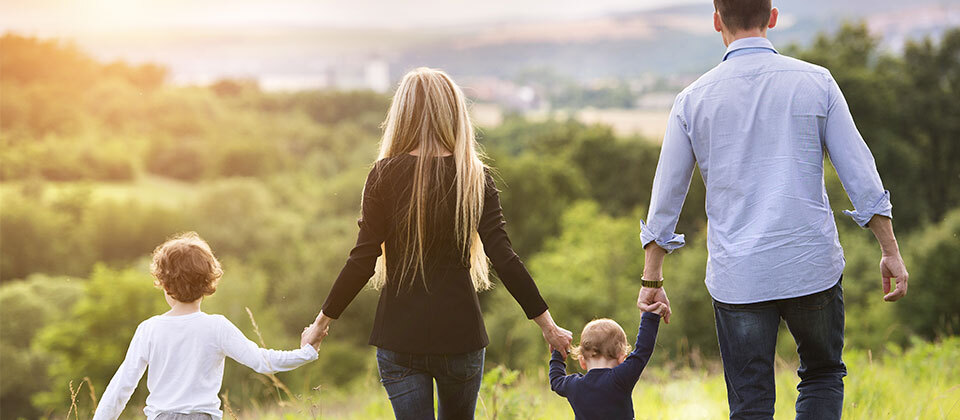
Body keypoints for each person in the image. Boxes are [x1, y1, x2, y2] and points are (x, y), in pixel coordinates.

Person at [637, 1, 910, 419]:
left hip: (738, 278)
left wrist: (651, 278)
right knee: (821, 376)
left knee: (750, 402)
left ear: (716, 22)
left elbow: (667, 194)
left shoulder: (691, 99)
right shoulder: (817, 82)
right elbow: (861, 173)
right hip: (810, 267)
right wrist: (889, 249)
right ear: (773, 16)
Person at [302, 67, 573, 420]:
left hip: (399, 338)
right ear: (454, 112)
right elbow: (504, 258)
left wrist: (321, 323)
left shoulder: (383, 174)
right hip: (461, 337)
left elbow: (362, 259)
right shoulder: (475, 177)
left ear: (402, 114)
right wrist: (547, 327)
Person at [93, 232, 326, 420]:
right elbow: (262, 361)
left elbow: (122, 386)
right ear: (208, 283)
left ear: (164, 283)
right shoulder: (217, 327)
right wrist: (307, 352)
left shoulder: (149, 329)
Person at [549, 303, 664, 420]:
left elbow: (556, 380)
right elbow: (643, 350)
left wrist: (558, 352)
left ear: (582, 361)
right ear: (622, 358)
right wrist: (650, 316)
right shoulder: (621, 378)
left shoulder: (574, 385)